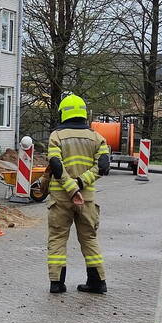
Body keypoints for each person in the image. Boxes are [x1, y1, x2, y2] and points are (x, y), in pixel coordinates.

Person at [46, 94, 111, 294]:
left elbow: (56, 166)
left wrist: (71, 188)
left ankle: (57, 283)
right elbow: (103, 166)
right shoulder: (97, 137)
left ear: (63, 113)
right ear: (84, 113)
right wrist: (81, 183)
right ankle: (97, 282)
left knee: (57, 238)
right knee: (89, 239)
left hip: (60, 200)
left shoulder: (56, 136)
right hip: (87, 201)